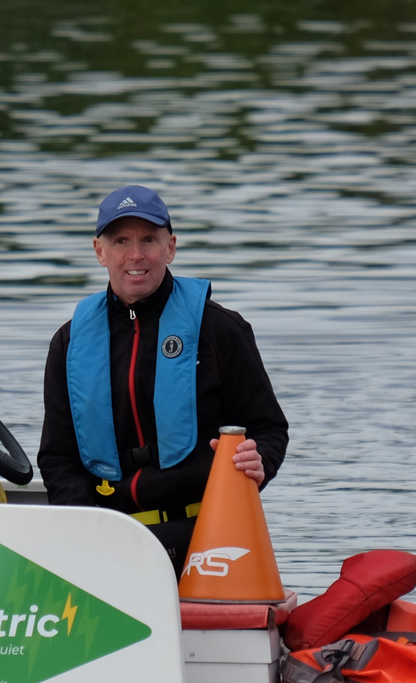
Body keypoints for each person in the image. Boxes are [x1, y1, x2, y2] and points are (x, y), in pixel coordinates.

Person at [38, 185, 290, 572]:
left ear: (170, 247)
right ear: (99, 251)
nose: (135, 255)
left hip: (210, 538)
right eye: (121, 241)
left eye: (149, 240)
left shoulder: (221, 330)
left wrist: (261, 463)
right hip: (110, 538)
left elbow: (269, 430)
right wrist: (88, 535)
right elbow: (58, 458)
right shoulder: (68, 343)